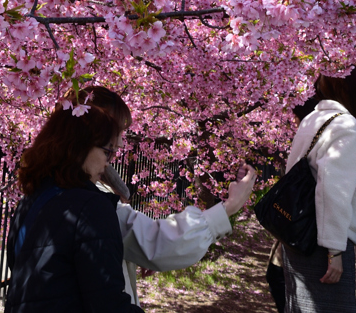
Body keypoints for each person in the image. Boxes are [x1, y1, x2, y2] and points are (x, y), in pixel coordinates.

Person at [82, 86, 258, 305]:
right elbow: (160, 241)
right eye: (110, 143)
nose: (119, 145)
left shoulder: (76, 192)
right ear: (81, 140)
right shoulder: (89, 203)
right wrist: (230, 206)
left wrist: (136, 250)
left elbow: (143, 239)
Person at [5, 95, 143, 312]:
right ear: (79, 146)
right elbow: (108, 303)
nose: (109, 162)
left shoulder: (30, 201)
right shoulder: (91, 207)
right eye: (107, 152)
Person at [282, 67, 356, 313]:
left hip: (299, 232)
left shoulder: (313, 119)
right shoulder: (346, 125)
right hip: (322, 240)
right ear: (349, 88)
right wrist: (335, 250)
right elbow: (334, 188)